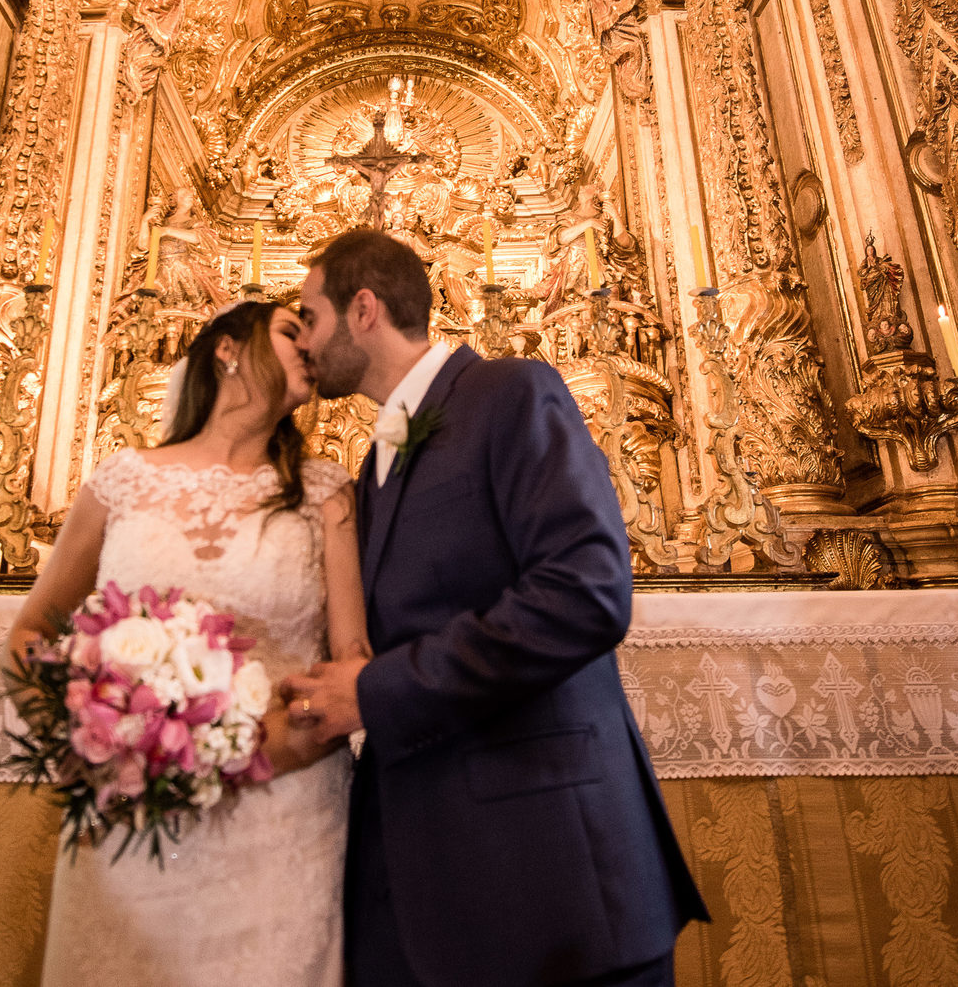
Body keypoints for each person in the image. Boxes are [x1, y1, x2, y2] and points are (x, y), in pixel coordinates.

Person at [286, 229, 708, 987]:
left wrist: (374, 692)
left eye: (308, 317)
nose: (303, 343)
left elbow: (585, 592)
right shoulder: (377, 457)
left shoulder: (510, 393)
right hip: (437, 882)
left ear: (363, 310)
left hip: (551, 883)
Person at [5, 299, 368, 987]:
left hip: (281, 807)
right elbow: (34, 628)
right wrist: (77, 730)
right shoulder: (123, 481)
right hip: (134, 806)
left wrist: (272, 743)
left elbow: (353, 661)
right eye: (290, 332)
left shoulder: (324, 492)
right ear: (227, 349)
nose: (310, 350)